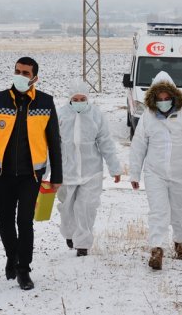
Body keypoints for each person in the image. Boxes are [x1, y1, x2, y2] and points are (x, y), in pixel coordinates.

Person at [0, 56, 62, 290]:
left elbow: (54, 143)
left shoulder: (45, 102)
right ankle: (12, 256)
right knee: (5, 222)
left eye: (25, 73)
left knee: (24, 221)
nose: (20, 76)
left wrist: (57, 176)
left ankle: (24, 269)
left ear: (34, 78)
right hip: (3, 174)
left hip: (31, 176)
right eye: (17, 71)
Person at [130, 71, 182, 270]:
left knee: (179, 211)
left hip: (181, 174)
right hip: (155, 173)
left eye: (167, 98)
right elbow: (138, 146)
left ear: (174, 96)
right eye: (159, 98)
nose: (163, 101)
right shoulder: (147, 118)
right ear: (153, 99)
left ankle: (180, 242)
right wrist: (134, 173)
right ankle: (156, 249)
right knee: (158, 211)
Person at [56, 80, 122, 257]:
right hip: (66, 171)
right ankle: (70, 234)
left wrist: (114, 168)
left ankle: (83, 244)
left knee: (85, 207)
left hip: (91, 170)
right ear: (70, 99)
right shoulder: (60, 115)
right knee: (67, 208)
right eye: (75, 99)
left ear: (88, 98)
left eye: (82, 98)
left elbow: (106, 142)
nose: (79, 101)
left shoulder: (96, 115)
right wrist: (45, 171)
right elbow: (51, 145)